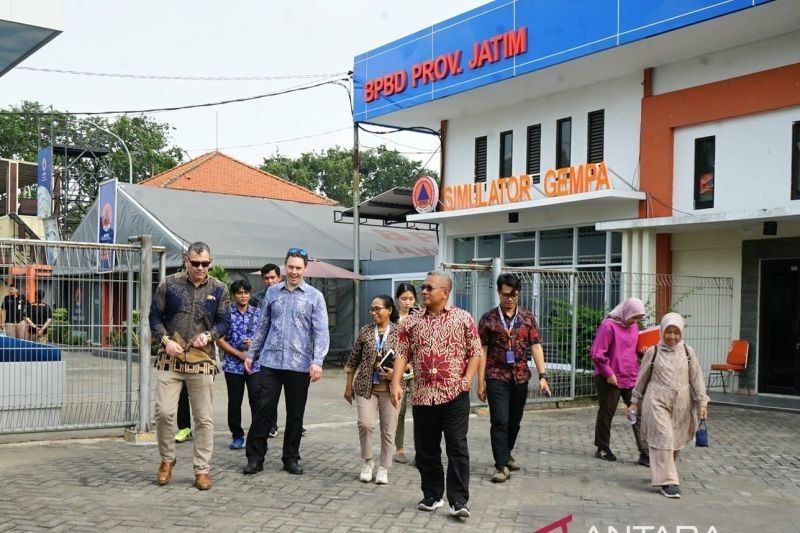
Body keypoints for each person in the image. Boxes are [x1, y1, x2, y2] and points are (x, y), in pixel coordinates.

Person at [390, 271, 482, 519]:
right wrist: (396, 382)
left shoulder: (463, 318)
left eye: (430, 287)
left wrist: (467, 380)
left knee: (457, 446)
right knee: (426, 449)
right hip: (422, 395)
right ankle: (432, 495)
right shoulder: (410, 322)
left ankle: (458, 500)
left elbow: (475, 351)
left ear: (445, 292)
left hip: (454, 395)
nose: (424, 291)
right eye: (423, 287)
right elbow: (401, 353)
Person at [150, 242, 230, 491]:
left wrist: (209, 335)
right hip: (170, 356)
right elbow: (154, 316)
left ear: (210, 262)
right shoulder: (169, 284)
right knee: (164, 412)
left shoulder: (219, 289)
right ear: (186, 260)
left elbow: (225, 322)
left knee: (203, 418)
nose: (200, 268)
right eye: (195, 263)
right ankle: (167, 459)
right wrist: (165, 340)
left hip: (201, 358)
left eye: (205, 264)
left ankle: (202, 469)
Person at [243, 247, 329, 476]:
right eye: (290, 267)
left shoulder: (314, 296)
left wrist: (318, 360)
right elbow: (262, 325)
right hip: (270, 361)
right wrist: (252, 353)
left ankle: (290, 457)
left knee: (295, 414)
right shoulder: (272, 293)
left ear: (305, 269)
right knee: (262, 409)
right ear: (284, 267)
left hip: (300, 364)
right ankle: (255, 457)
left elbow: (321, 332)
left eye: (298, 268)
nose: (293, 272)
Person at [477, 273, 551, 483]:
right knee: (499, 420)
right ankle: (500, 465)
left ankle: (506, 454)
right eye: (506, 294)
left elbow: (536, 346)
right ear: (499, 293)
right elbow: (482, 350)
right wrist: (480, 381)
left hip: (520, 377)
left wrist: (543, 375)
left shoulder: (527, 318)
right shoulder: (488, 319)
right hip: (496, 376)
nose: (510, 299)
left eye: (514, 295)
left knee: (514, 422)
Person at [630, 312, 709, 499]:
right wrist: (634, 402)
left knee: (675, 442)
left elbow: (697, 379)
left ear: (681, 332)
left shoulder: (688, 352)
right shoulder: (653, 352)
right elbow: (641, 379)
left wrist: (702, 403)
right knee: (663, 437)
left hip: (682, 403)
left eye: (676, 332)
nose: (672, 336)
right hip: (656, 400)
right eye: (668, 332)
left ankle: (663, 472)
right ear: (662, 332)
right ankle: (669, 482)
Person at [344, 295, 401, 485]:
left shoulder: (401, 332)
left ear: (389, 310)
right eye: (372, 309)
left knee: (388, 429)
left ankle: (384, 467)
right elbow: (353, 359)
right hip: (365, 387)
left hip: (391, 389)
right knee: (365, 424)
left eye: (378, 308)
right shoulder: (366, 331)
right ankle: (368, 461)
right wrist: (348, 386)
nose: (374, 312)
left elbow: (410, 361)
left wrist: (396, 374)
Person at [590, 297, 648, 465]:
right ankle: (602, 447)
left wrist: (643, 353)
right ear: (626, 311)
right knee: (607, 413)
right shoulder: (608, 326)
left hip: (630, 376)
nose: (635, 321)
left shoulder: (634, 326)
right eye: (634, 317)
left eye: (638, 318)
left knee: (637, 414)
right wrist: (608, 373)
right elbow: (597, 353)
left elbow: (633, 350)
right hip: (610, 378)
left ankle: (644, 451)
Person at [217, 279, 261, 450]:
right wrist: (239, 354)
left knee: (256, 401)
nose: (243, 296)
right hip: (233, 365)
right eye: (239, 293)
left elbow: (265, 336)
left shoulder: (258, 314)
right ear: (234, 295)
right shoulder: (226, 314)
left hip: (255, 365)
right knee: (234, 402)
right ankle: (237, 435)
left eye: (246, 292)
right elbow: (219, 339)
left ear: (250, 294)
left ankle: (256, 435)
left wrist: (253, 346)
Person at [248, 263, 283, 438]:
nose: (269, 281)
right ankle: (265, 424)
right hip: (262, 351)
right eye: (266, 278)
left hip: (282, 352)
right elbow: (253, 322)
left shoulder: (286, 295)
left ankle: (276, 424)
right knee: (265, 390)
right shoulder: (256, 298)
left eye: (272, 277)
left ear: (279, 277)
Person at [393, 282, 417, 464]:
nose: (407, 303)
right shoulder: (392, 318)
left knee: (419, 411)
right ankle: (399, 448)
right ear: (397, 299)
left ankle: (421, 450)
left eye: (411, 299)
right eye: (404, 299)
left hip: (417, 370)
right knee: (399, 411)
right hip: (397, 370)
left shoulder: (419, 317)